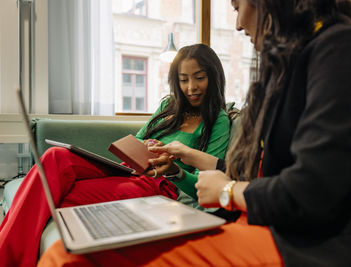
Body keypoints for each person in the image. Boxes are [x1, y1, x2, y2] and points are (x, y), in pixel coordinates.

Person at [38, 0, 351, 266]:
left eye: (239, 5)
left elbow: (310, 191)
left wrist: (227, 191)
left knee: (67, 258)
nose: (239, 22)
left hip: (313, 247)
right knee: (71, 238)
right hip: (266, 225)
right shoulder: (292, 63)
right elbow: (258, 172)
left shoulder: (347, 49)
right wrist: (190, 161)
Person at [0, 43, 231, 267]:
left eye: (199, 78)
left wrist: (174, 168)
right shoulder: (168, 106)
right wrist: (147, 144)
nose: (191, 87)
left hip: (158, 184)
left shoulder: (217, 120)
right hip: (127, 168)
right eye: (184, 80)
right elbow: (139, 138)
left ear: (214, 77)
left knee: (53, 195)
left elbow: (206, 182)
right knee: (55, 156)